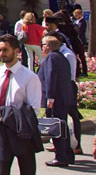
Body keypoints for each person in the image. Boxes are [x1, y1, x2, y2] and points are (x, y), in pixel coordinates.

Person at [0, 34, 43, 175]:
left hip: (23, 134)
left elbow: (34, 110)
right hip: (2, 133)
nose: (1, 54)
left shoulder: (29, 77)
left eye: (5, 50)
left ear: (16, 51)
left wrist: (3, 112)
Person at [39, 35, 75, 167]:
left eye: (43, 45)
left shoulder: (51, 57)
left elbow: (50, 77)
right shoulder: (61, 57)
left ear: (48, 46)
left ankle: (61, 156)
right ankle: (67, 154)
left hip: (56, 99)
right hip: (64, 97)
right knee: (62, 125)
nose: (42, 47)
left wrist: (50, 97)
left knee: (56, 127)